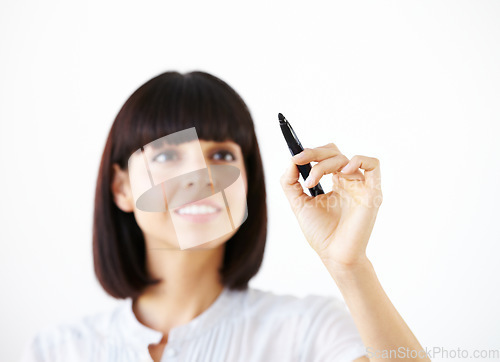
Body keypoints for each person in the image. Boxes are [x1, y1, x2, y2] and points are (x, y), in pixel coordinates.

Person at [21, 71, 429, 362]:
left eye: (221, 155)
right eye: (166, 154)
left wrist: (349, 266)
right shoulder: (56, 351)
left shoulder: (307, 332)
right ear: (121, 187)